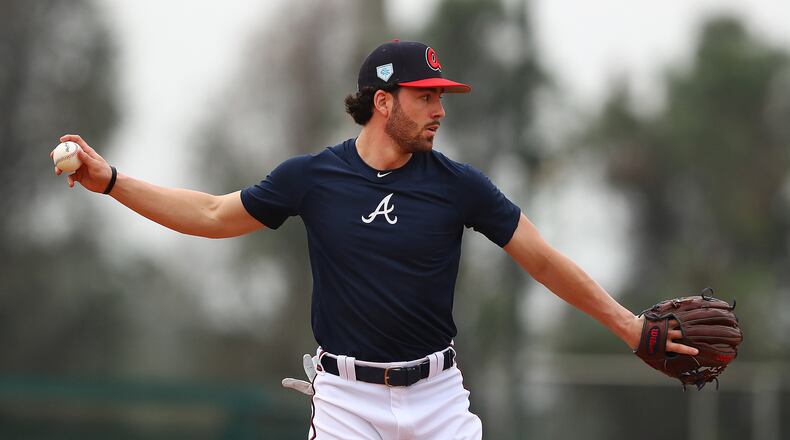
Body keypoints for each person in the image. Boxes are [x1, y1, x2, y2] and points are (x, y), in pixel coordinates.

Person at [53, 40, 698, 440]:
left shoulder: (458, 185)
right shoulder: (313, 178)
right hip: (346, 403)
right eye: (426, 96)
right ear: (383, 102)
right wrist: (111, 180)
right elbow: (213, 214)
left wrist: (628, 326)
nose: (440, 108)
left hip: (439, 397)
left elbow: (544, 261)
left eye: (442, 95)